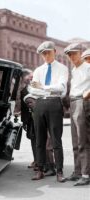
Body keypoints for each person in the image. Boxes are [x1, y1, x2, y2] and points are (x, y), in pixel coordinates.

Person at [29, 41, 68, 182]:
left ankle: (59, 171)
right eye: (43, 54)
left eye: (48, 52)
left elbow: (61, 88)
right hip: (39, 104)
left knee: (56, 140)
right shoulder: (38, 70)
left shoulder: (62, 68)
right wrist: (47, 87)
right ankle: (40, 170)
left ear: (55, 52)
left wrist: (43, 87)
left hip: (54, 103)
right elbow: (32, 89)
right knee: (39, 139)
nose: (46, 56)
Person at [64, 43, 90, 186]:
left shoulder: (88, 67)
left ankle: (86, 175)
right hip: (73, 102)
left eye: (74, 53)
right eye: (69, 55)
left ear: (80, 53)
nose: (72, 56)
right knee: (75, 140)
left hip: (82, 102)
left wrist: (88, 94)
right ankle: (78, 171)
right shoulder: (74, 69)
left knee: (83, 140)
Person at [20, 69, 36, 169]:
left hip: (39, 118)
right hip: (29, 120)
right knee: (32, 140)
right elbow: (23, 108)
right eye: (29, 77)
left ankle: (42, 161)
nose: (30, 79)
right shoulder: (23, 91)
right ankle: (36, 160)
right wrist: (24, 122)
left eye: (31, 77)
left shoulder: (39, 89)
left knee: (41, 140)